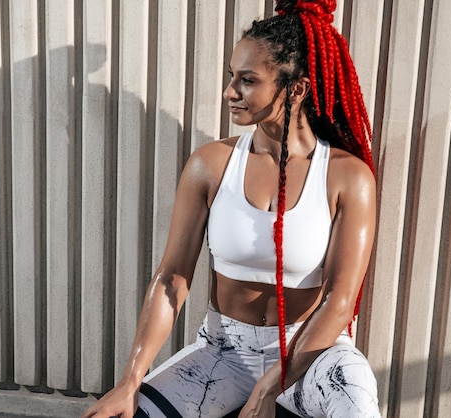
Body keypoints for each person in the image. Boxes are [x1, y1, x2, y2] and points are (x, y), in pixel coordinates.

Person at [82, 0, 380, 416]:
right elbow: (172, 278)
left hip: (313, 354)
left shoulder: (348, 177)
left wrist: (266, 391)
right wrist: (130, 381)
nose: (229, 92)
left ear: (295, 88)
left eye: (247, 80)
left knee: (359, 408)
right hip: (225, 351)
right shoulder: (210, 164)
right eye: (230, 77)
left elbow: (340, 300)